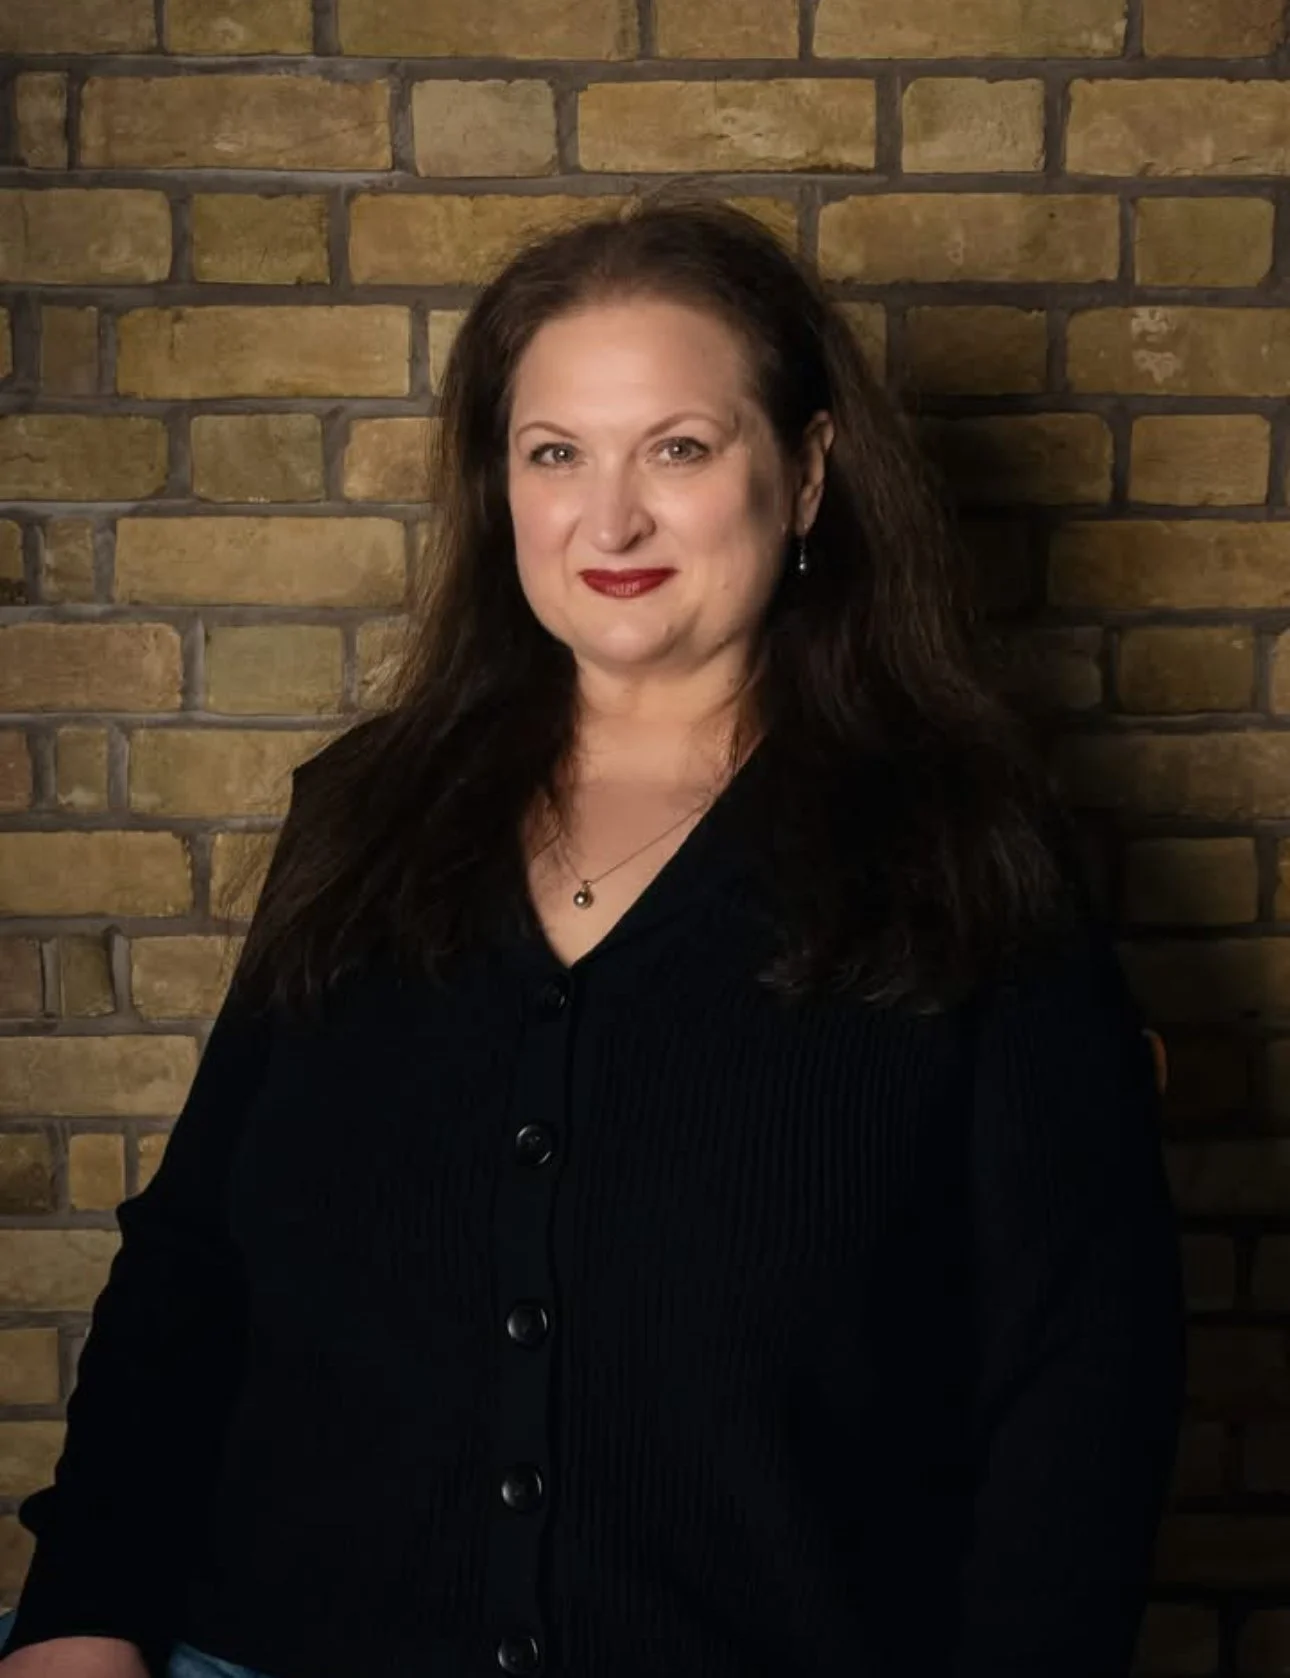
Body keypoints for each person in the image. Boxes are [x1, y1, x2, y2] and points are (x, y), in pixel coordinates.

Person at [0, 194, 1185, 1678]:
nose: (607, 519)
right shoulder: (366, 815)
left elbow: (1078, 1384)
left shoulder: (969, 855)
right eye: (553, 452)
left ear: (807, 474)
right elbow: (193, 1266)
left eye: (677, 449)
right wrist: (76, 1618)